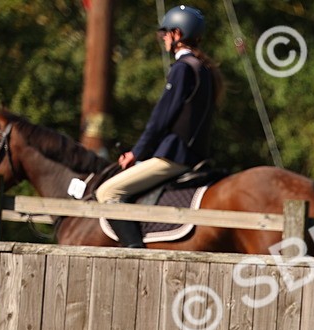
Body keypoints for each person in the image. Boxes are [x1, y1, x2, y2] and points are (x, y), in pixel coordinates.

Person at [95, 5, 221, 248]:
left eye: (165, 33)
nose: (162, 37)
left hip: (174, 156)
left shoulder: (183, 69)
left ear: (177, 34)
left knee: (107, 193)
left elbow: (161, 118)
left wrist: (137, 152)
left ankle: (137, 254)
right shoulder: (204, 69)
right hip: (196, 154)